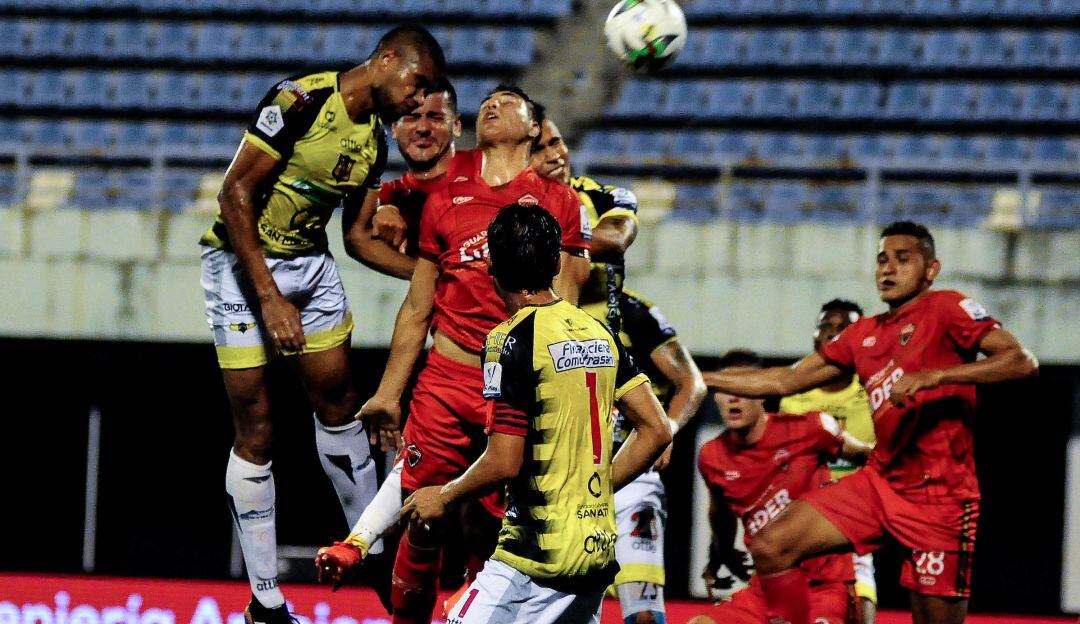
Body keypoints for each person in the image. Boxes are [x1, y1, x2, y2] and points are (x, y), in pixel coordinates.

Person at [197, 25, 446, 624]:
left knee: (341, 407)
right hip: (240, 263)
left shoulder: (373, 143)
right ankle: (264, 599)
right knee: (256, 426)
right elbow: (236, 194)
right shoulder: (299, 100)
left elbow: (357, 238)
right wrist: (270, 297)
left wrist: (435, 273)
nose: (417, 102)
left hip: (311, 268)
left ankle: (376, 556)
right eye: (416, 85)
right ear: (387, 60)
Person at [316, 85, 591, 624]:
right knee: (422, 512)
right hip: (449, 375)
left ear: (534, 127)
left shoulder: (559, 202)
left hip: (514, 385)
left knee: (494, 528)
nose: (494, 104)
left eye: (509, 101)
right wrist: (390, 392)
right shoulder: (447, 196)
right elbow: (418, 307)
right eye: (488, 100)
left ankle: (473, 606)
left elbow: (568, 305)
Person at [701, 221, 1039, 624]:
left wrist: (937, 376)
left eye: (902, 259)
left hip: (940, 500)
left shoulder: (947, 308)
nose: (888, 269)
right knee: (773, 545)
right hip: (880, 484)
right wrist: (701, 378)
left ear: (931, 269)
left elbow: (1022, 362)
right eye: (882, 260)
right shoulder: (863, 334)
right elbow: (783, 379)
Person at [401, 202, 673, 624]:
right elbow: (657, 429)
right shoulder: (597, 331)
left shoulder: (510, 340)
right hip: (595, 550)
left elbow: (504, 461)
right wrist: (595, 488)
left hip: (534, 554)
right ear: (554, 262)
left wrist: (444, 495)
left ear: (492, 266)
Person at [691, 349, 871, 624]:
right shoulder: (712, 457)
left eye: (745, 386)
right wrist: (723, 551)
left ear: (763, 391)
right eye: (726, 388)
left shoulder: (810, 428)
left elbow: (866, 455)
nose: (734, 396)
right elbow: (721, 512)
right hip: (767, 588)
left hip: (823, 585)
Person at [609, 289, 707, 624]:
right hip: (565, 478)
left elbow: (692, 382)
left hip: (632, 477)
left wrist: (668, 429)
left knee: (644, 615)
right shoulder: (537, 306)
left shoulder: (633, 310)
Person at [779, 298, 879, 624]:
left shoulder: (874, 390)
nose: (833, 334)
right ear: (814, 335)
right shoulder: (793, 394)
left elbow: (891, 457)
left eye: (844, 328)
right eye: (826, 326)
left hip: (855, 520)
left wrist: (850, 449)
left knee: (860, 610)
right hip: (801, 519)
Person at [531, 114, 638, 332]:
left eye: (555, 142)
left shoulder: (607, 197)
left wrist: (530, 240)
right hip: (535, 340)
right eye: (537, 150)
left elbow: (616, 238)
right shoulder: (504, 203)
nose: (553, 156)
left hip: (601, 346)